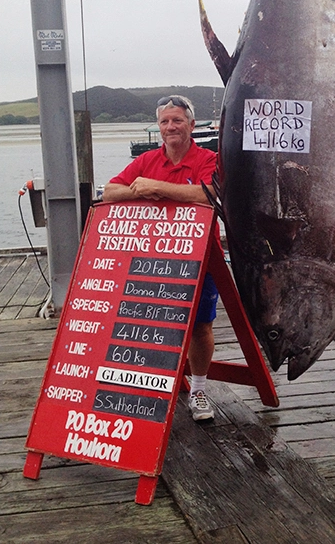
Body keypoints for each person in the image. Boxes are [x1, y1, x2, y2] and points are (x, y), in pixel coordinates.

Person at [103, 95, 221, 422]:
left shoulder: (209, 158)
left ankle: (197, 390)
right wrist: (138, 190)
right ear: (159, 126)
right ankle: (150, 389)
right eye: (165, 121)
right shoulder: (148, 159)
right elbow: (109, 192)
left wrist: (158, 187)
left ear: (192, 125)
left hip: (201, 258)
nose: (171, 127)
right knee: (149, 324)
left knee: (200, 326)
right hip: (152, 257)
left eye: (178, 120)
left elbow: (209, 194)